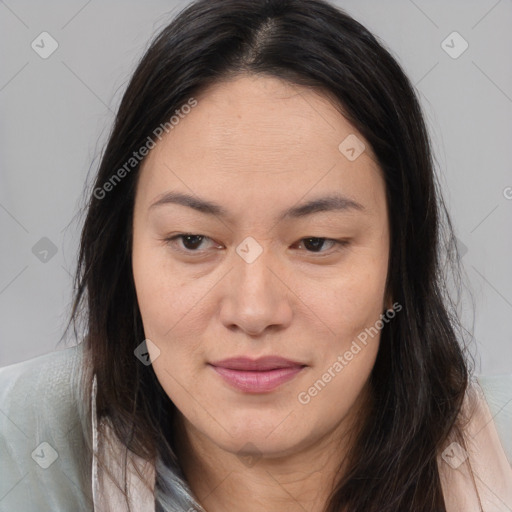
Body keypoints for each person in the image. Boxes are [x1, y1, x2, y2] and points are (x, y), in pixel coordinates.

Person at [1, 0, 511, 510]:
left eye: (316, 243)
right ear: (124, 255)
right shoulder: (19, 447)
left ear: (399, 266)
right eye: (193, 241)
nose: (253, 311)